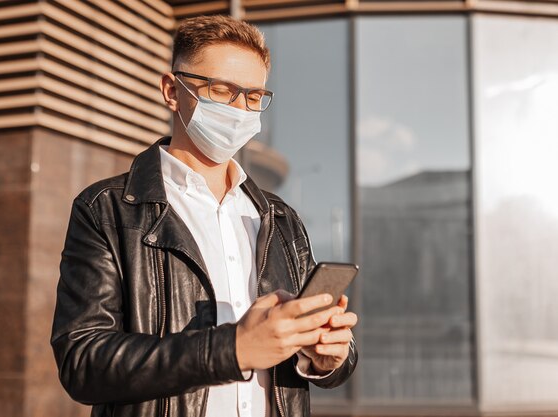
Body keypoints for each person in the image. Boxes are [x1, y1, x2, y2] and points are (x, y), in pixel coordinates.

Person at [50, 14, 358, 417]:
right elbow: (82, 360)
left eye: (252, 97)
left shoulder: (281, 219)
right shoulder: (107, 209)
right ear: (172, 91)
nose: (240, 109)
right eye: (222, 90)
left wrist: (329, 357)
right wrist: (231, 349)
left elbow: (323, 361)